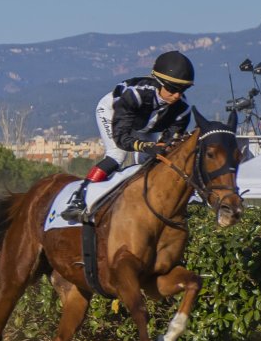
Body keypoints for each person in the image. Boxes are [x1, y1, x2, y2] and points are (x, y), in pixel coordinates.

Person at [60, 50, 194, 221]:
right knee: (117, 155)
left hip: (144, 127)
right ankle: (79, 198)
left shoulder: (183, 110)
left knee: (152, 162)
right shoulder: (136, 94)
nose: (176, 95)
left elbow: (168, 145)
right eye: (172, 88)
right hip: (113, 114)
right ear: (157, 82)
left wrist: (160, 149)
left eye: (183, 90)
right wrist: (145, 146)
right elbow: (122, 138)